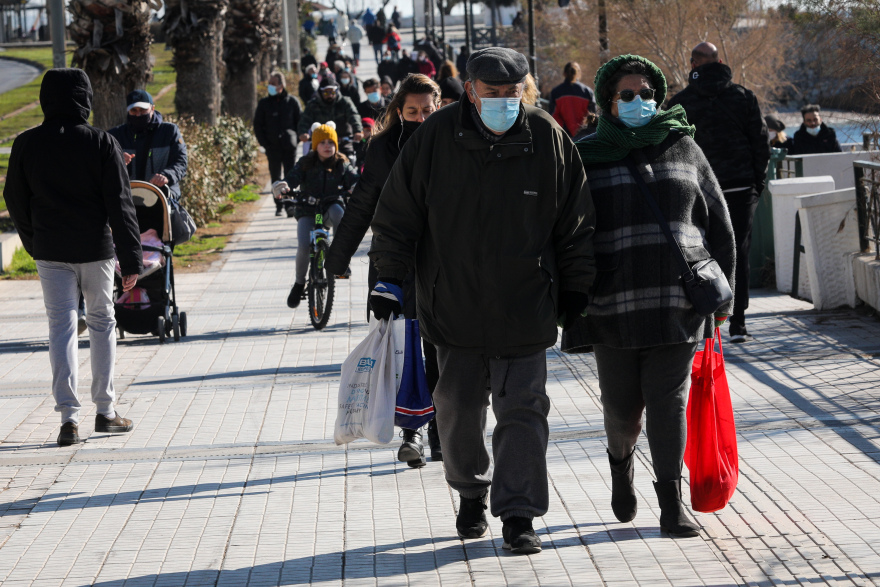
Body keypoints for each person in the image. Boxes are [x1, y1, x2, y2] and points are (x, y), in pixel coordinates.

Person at [367, 48, 595, 554]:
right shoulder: (435, 138)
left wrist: (578, 289)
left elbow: (575, 222)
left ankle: (519, 514)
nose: (503, 102)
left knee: (524, 411)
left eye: (512, 93)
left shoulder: (547, 137)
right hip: (454, 305)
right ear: (470, 90)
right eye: (493, 93)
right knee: (457, 408)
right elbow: (397, 214)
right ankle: (471, 493)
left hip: (526, 303)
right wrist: (389, 280)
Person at [563, 55, 736, 538]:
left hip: (677, 302)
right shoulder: (585, 153)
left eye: (646, 94)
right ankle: (621, 467)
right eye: (628, 95)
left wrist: (724, 297)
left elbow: (720, 223)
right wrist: (569, 295)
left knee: (668, 403)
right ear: (608, 101)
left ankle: (670, 503)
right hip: (611, 303)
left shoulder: (684, 147)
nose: (639, 101)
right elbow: (565, 230)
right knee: (622, 411)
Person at [4, 69, 143, 446]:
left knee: (61, 327)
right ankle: (106, 411)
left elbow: (14, 198)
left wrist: (34, 242)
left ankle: (68, 418)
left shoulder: (26, 143)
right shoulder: (102, 142)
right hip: (96, 250)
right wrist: (131, 260)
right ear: (86, 98)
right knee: (102, 322)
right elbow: (120, 204)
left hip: (51, 250)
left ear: (45, 99)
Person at [327, 74, 444, 467]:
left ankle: (441, 432)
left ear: (438, 107)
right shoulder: (382, 148)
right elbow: (363, 202)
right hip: (396, 263)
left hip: (443, 263)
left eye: (427, 110)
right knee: (405, 348)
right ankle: (413, 433)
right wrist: (337, 257)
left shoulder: (452, 140)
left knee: (439, 350)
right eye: (412, 111)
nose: (420, 118)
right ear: (399, 110)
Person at [667, 42, 769, 343]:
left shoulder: (680, 103)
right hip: (740, 187)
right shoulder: (744, 97)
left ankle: (706, 322)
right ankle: (738, 322)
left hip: (697, 189)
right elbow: (761, 143)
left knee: (698, 252)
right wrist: (756, 184)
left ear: (693, 65)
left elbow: (670, 149)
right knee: (738, 251)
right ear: (720, 61)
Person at [273, 122, 358, 308]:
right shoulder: (305, 162)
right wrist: (284, 186)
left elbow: (354, 178)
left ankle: (340, 260)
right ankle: (299, 284)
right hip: (309, 210)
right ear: (314, 145)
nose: (327, 146)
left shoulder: (342, 163)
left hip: (329, 208)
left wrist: (356, 186)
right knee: (304, 245)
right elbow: (292, 178)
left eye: (331, 142)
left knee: (339, 213)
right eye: (322, 143)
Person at [108, 89, 188, 201]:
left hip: (163, 196)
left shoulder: (169, 131)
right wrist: (116, 160)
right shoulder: (115, 135)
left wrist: (166, 176)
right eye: (134, 110)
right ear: (128, 111)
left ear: (152, 108)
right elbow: (100, 166)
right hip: (127, 198)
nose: (138, 114)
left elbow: (181, 162)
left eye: (143, 110)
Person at [254, 71, 302, 216]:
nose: (270, 86)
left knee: (289, 176)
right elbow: (258, 126)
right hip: (272, 147)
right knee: (275, 176)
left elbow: (300, 123)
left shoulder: (292, 102)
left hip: (289, 147)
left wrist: (295, 140)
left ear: (281, 85)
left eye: (273, 84)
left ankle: (289, 205)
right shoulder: (264, 104)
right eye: (269, 83)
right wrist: (265, 144)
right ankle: (279, 205)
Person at [297, 74, 364, 146]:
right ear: (320, 92)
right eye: (326, 92)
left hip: (343, 140)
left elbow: (353, 116)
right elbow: (305, 120)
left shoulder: (345, 102)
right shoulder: (313, 105)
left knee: (350, 153)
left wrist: (358, 131)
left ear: (337, 91)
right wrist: (303, 133)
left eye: (332, 92)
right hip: (320, 141)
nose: (330, 95)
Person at [548, 62, 596, 137]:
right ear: (578, 73)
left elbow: (553, 116)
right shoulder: (588, 92)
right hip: (583, 135)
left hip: (563, 135)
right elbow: (592, 116)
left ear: (564, 74)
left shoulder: (556, 92)